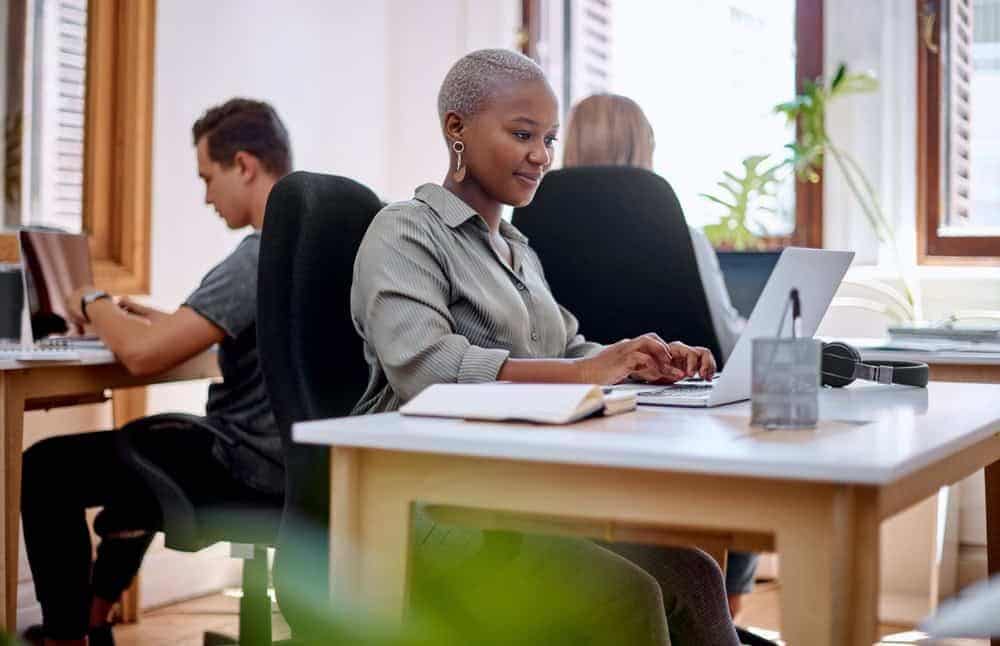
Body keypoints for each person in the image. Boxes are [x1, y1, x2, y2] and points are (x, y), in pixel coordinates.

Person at [351, 48, 740, 646]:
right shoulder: (405, 230)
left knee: (696, 573)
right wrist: (593, 367)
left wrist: (642, 359)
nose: (542, 156)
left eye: (551, 139)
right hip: (431, 508)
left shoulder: (517, 248)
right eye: (523, 134)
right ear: (456, 128)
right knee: (625, 595)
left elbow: (571, 346)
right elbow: (426, 371)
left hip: (519, 496)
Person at [20, 98, 290, 646]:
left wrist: (91, 300)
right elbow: (263, 347)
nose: (206, 196)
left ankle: (65, 637)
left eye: (208, 178)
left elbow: (143, 358)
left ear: (244, 165)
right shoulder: (312, 244)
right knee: (148, 445)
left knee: (50, 465)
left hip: (245, 466)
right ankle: (94, 618)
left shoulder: (256, 254)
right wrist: (167, 323)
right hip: (299, 466)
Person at [562, 92, 759, 622]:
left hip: (574, 424)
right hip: (679, 431)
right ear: (643, 148)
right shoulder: (677, 232)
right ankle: (724, 617)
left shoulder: (528, 225)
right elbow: (726, 340)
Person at [563, 93, 746, 360]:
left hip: (566, 390)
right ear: (645, 147)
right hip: (673, 388)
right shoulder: (681, 236)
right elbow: (726, 342)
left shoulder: (526, 232)